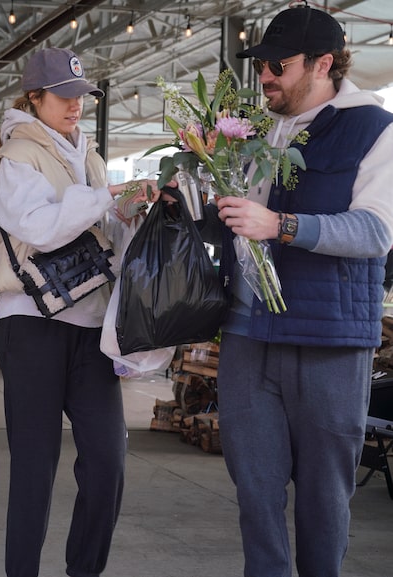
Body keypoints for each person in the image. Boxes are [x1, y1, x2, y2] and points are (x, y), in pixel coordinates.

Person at [207, 7, 393, 577]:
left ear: (324, 64)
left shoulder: (375, 128)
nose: (264, 76)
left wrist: (282, 224)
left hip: (329, 343)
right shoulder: (256, 131)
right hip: (247, 335)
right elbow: (235, 225)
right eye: (261, 64)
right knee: (255, 494)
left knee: (323, 501)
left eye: (277, 65)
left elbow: (376, 231)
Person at [0, 47, 165, 577]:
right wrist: (105, 196)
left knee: (108, 463)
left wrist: (128, 210)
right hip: (31, 323)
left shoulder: (87, 155)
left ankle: (84, 570)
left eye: (80, 96)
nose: (75, 106)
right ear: (34, 98)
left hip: (90, 327)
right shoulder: (18, 153)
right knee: (34, 470)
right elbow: (38, 227)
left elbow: (101, 234)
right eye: (62, 96)